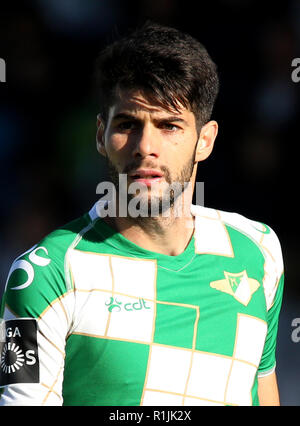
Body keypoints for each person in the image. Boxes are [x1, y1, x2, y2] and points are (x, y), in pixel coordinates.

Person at [0, 21, 284, 406]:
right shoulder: (43, 276)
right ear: (100, 135)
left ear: (205, 140)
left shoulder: (259, 250)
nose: (145, 146)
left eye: (169, 126)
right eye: (128, 124)